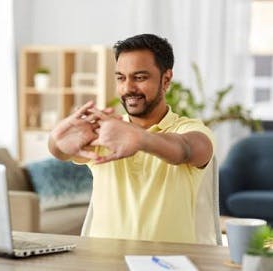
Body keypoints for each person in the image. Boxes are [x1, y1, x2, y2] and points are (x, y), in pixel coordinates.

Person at [48, 33, 215, 243]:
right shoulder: (104, 130)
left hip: (168, 263)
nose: (127, 88)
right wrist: (56, 143)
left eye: (140, 77)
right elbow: (60, 150)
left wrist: (141, 139)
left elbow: (187, 149)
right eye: (121, 77)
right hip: (101, 263)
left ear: (166, 80)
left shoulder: (188, 129)